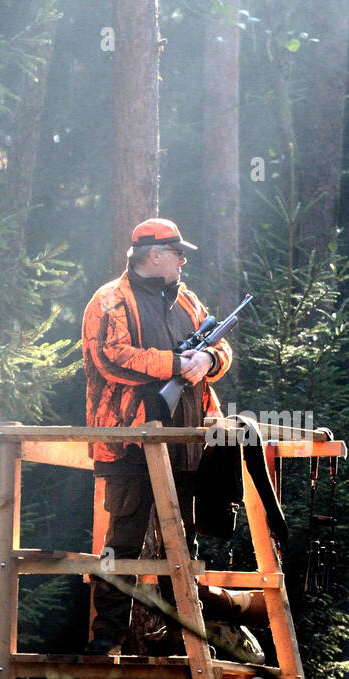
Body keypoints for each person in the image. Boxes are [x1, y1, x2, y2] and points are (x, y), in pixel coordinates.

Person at [81, 218, 232, 654]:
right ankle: (106, 635)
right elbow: (111, 356)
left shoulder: (187, 300)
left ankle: (184, 634)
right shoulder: (109, 301)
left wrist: (208, 362)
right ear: (154, 255)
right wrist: (174, 364)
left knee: (182, 539)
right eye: (177, 252)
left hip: (186, 442)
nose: (184, 260)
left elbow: (221, 348)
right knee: (122, 539)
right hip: (127, 440)